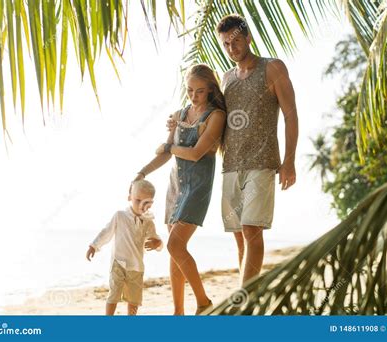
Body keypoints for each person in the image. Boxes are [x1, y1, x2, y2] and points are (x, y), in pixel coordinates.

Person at [167, 14, 299, 286]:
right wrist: (176, 121)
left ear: (248, 37)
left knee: (252, 230)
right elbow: (204, 113)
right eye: (226, 44)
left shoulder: (273, 68)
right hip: (230, 165)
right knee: (240, 235)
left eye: (236, 41)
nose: (231, 48)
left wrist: (289, 161)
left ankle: (244, 306)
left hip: (262, 162)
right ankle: (247, 295)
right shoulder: (225, 79)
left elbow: (291, 114)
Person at [134, 64, 227, 315]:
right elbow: (164, 154)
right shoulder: (179, 114)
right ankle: (178, 312)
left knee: (175, 245)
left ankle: (204, 303)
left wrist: (169, 149)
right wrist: (142, 173)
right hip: (175, 188)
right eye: (189, 90)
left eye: (199, 91)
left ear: (209, 90)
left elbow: (196, 154)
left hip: (197, 189)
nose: (193, 96)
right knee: (175, 251)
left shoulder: (215, 116)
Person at [85, 180, 163, 315]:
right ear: (129, 197)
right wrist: (94, 245)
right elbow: (106, 232)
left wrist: (156, 243)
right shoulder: (120, 216)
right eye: (137, 200)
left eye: (145, 202)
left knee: (134, 299)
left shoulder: (148, 222)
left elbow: (157, 240)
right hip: (118, 263)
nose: (140, 205)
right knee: (114, 293)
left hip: (137, 266)